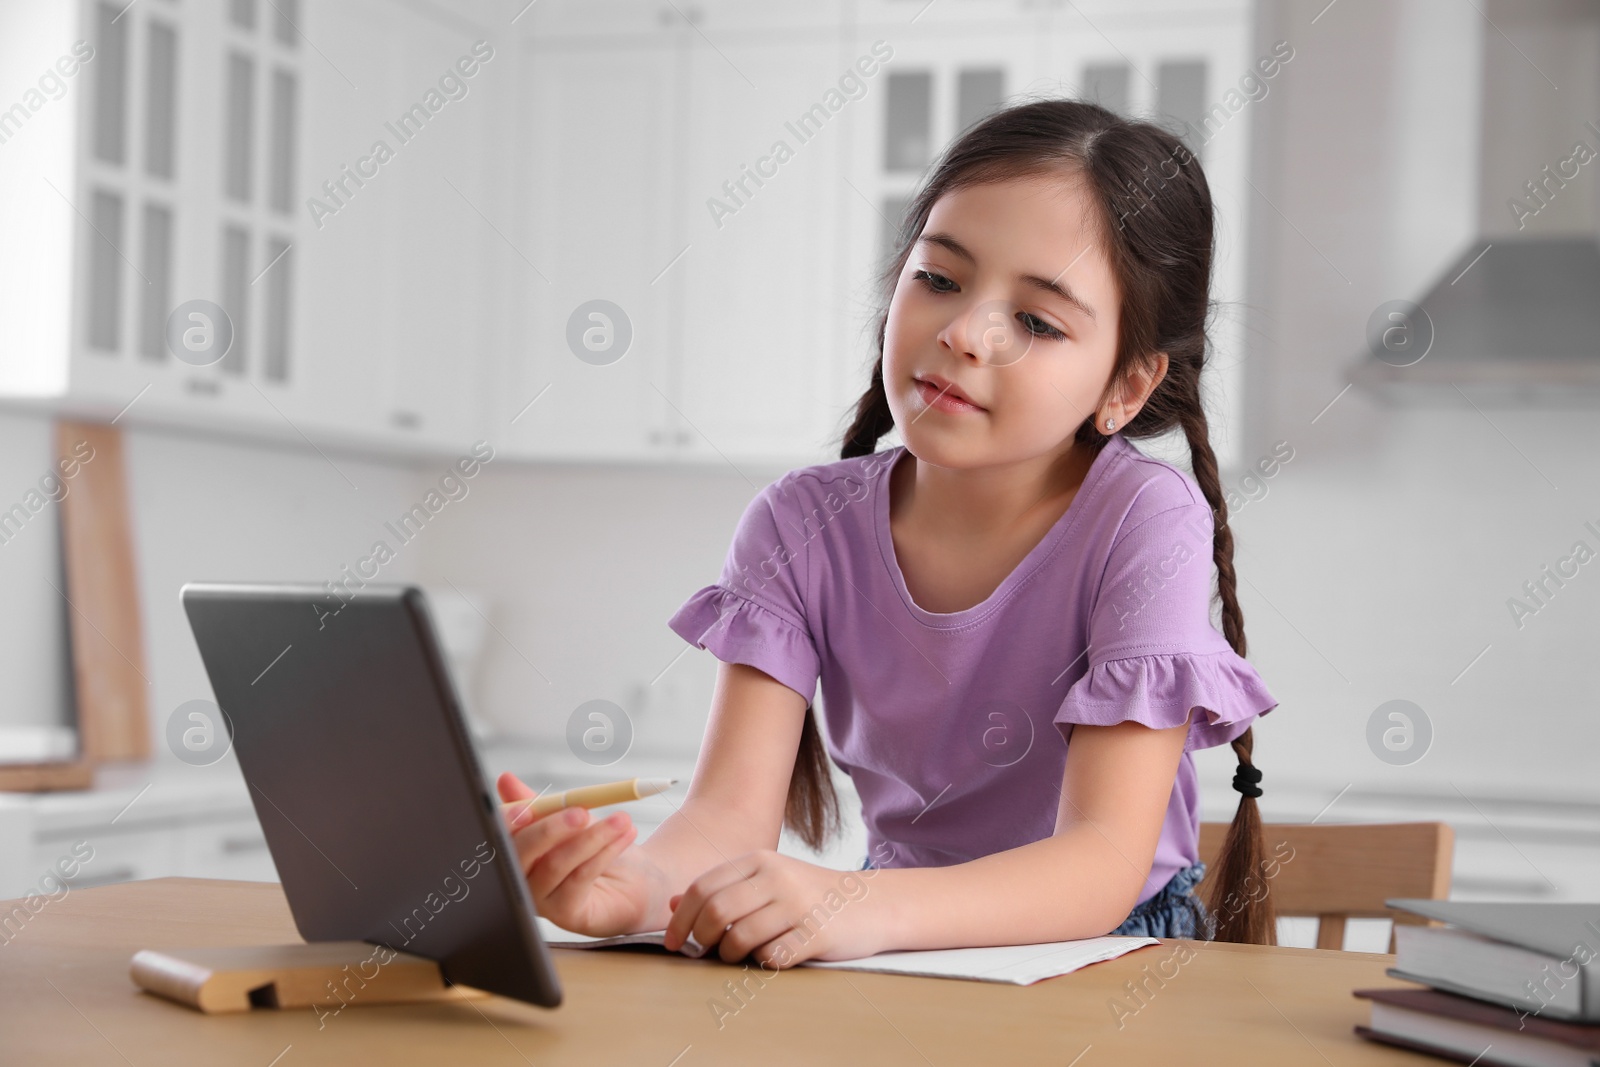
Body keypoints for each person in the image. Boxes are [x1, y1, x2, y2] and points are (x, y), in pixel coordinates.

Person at [497, 99, 1281, 969]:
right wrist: (632, 889)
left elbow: (1098, 865)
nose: (961, 332)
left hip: (1109, 954)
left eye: (1036, 321)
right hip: (895, 942)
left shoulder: (1145, 519)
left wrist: (850, 901)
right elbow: (724, 820)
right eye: (939, 278)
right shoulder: (798, 524)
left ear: (1127, 386)